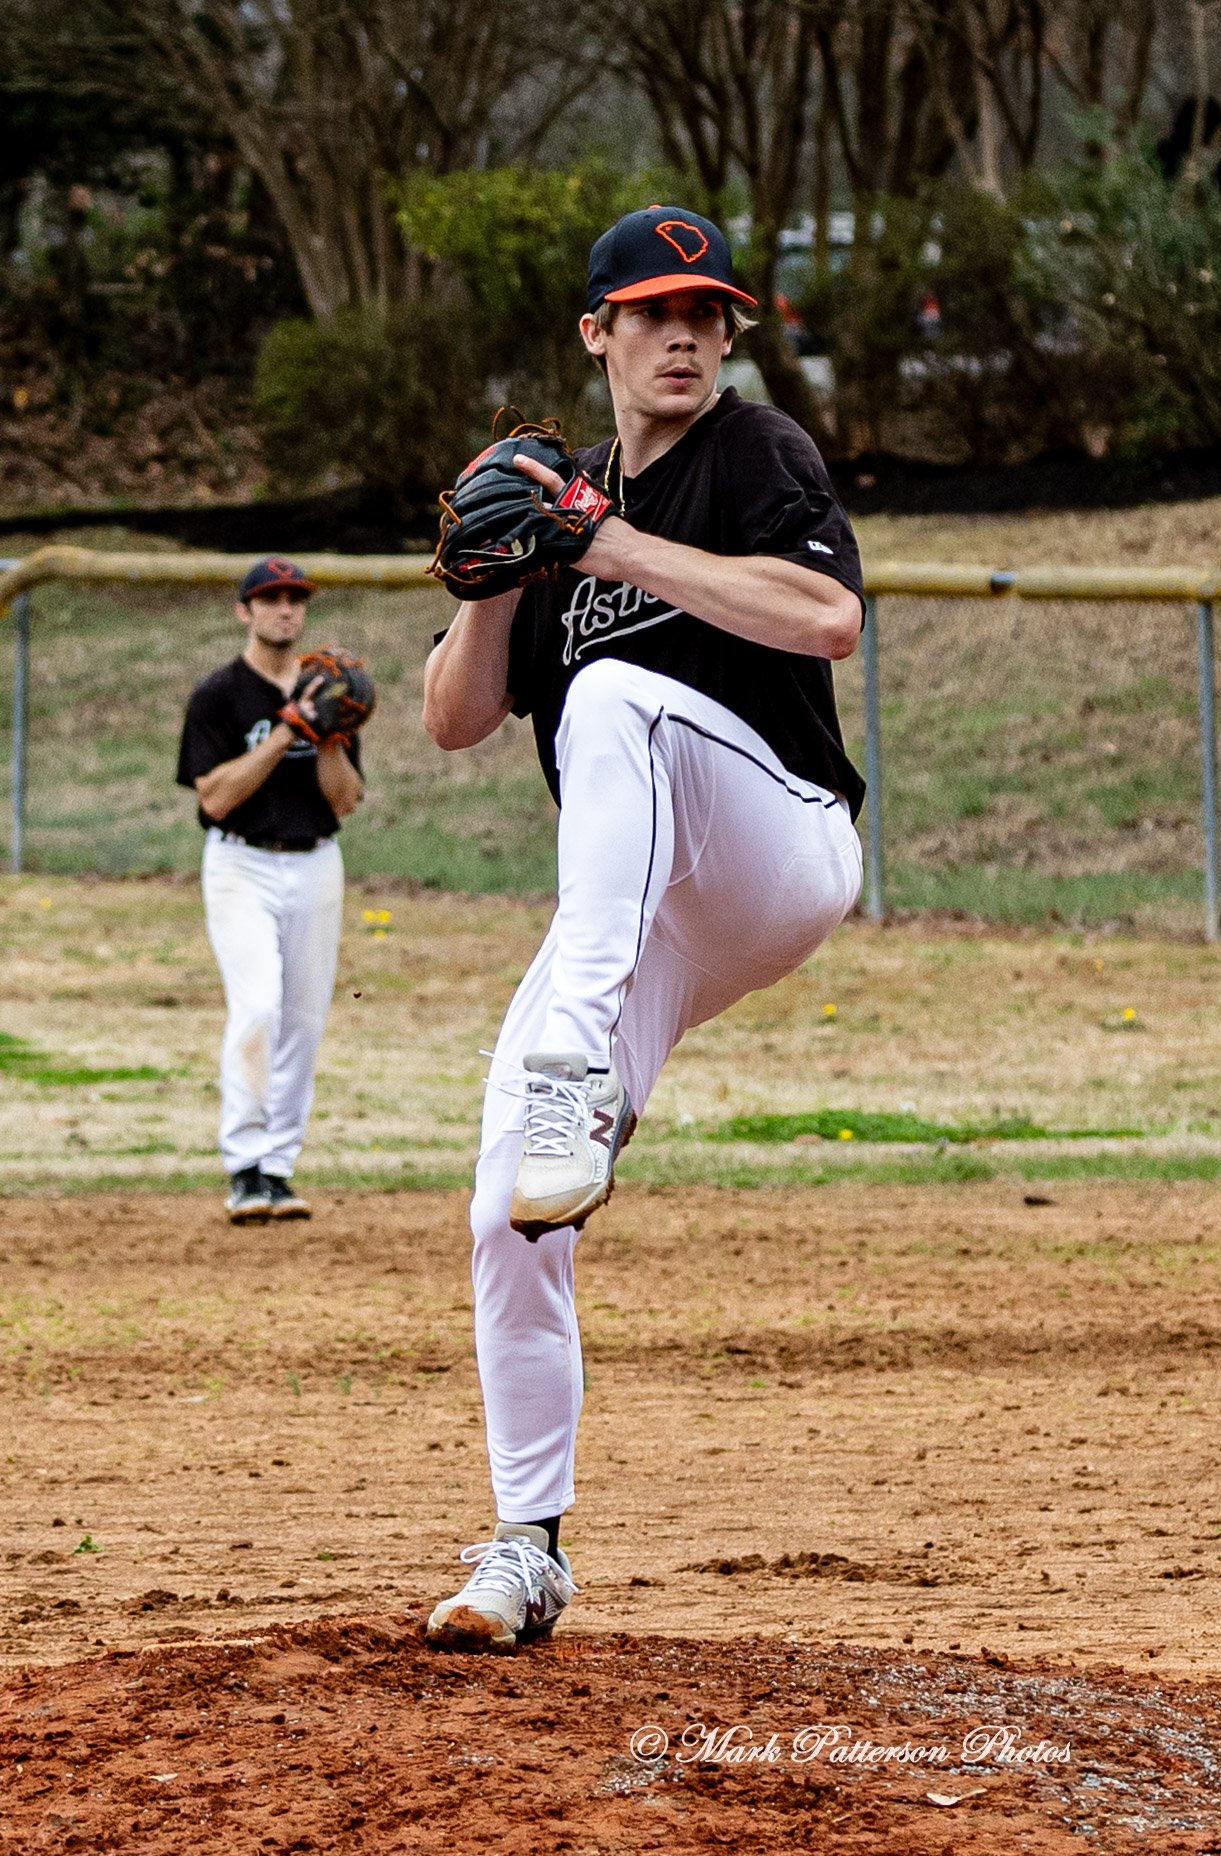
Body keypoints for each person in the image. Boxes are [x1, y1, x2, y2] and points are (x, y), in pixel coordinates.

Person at [421, 206, 866, 1651]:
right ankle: (523, 1546)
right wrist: (497, 587)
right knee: (508, 1212)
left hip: (777, 840)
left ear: (728, 336)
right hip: (643, 911)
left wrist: (606, 540)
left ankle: (573, 1064)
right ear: (595, 332)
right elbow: (451, 721)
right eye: (653, 311)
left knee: (619, 701)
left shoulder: (755, 452)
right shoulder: (559, 501)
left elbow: (822, 618)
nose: (684, 334)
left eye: (707, 313)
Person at [177, 557, 364, 1223]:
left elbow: (344, 801)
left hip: (315, 861)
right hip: (240, 865)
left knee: (303, 1020)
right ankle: (244, 1166)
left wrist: (328, 738)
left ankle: (280, 1168)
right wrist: (288, 727)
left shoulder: (328, 691)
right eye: (270, 598)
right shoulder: (219, 696)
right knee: (257, 1007)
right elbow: (216, 797)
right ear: (244, 611)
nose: (285, 609)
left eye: (295, 598)